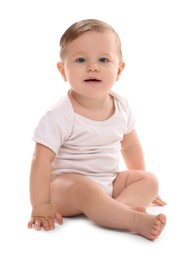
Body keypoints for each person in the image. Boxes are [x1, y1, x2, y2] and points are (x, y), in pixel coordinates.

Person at [27, 19, 167, 240]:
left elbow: (130, 146)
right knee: (83, 186)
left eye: (103, 59)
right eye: (81, 60)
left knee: (150, 180)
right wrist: (41, 204)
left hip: (109, 182)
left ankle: (115, 209)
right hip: (65, 189)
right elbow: (40, 160)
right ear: (63, 70)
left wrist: (139, 180)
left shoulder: (121, 106)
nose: (93, 66)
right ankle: (132, 220)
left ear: (119, 69)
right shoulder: (59, 115)